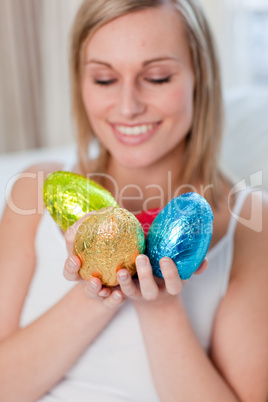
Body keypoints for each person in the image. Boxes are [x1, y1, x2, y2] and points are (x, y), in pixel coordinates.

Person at [0, 0, 267, 401]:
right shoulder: (34, 189)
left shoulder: (251, 221)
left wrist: (158, 307)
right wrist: (96, 292)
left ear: (202, 78)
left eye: (157, 77)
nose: (128, 106)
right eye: (105, 79)